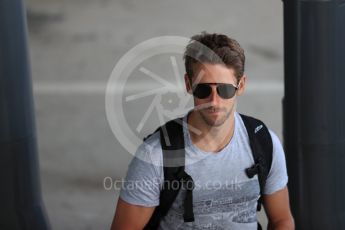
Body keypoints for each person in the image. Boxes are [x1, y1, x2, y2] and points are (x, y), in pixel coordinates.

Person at [111, 32, 294, 230]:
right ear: (189, 85)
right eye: (203, 90)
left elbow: (281, 220)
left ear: (240, 86)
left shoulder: (264, 143)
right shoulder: (155, 155)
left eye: (225, 90)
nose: (214, 102)